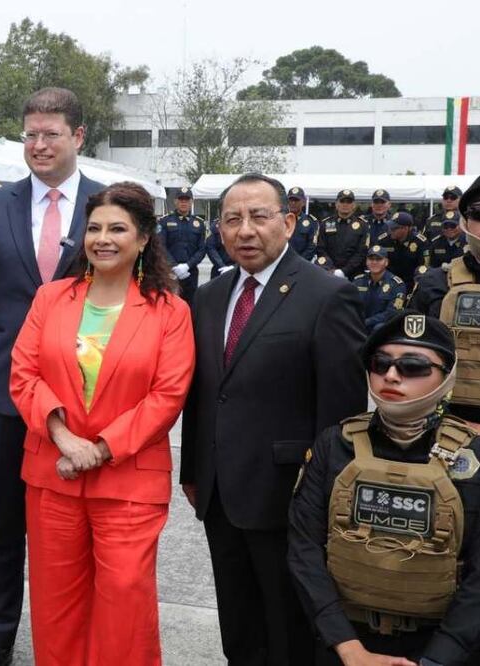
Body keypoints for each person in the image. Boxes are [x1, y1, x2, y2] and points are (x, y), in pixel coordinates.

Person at [180, 173, 368, 665]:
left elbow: (342, 414)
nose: (245, 230)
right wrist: (193, 472)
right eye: (232, 219)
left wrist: (326, 496)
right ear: (218, 230)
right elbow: (205, 394)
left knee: (287, 629)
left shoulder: (327, 296)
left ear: (287, 222)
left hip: (289, 496)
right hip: (219, 493)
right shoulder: (209, 296)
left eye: (259, 217)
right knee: (238, 626)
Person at [9, 182, 194, 665]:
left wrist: (102, 449)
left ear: (143, 238)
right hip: (53, 475)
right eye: (94, 228)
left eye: (118, 228)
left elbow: (167, 395)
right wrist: (66, 439)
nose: (103, 239)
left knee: (124, 603)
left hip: (128, 482)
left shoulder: (170, 311)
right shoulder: (51, 298)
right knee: (57, 605)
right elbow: (24, 374)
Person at [0, 86, 105, 666]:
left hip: (83, 390)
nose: (39, 145)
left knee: (73, 525)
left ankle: (69, 637)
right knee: (4, 522)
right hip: (3, 395)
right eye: (31, 135)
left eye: (52, 134)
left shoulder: (108, 203)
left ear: (78, 137)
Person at [289, 312, 480, 666]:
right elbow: (304, 551)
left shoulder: (474, 457)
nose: (391, 375)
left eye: (414, 366)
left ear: (446, 377)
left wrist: (437, 660)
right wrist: (349, 648)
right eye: (381, 363)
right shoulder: (335, 445)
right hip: (345, 645)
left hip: (443, 649)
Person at [410, 175, 480, 427]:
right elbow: (409, 353)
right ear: (466, 222)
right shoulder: (434, 283)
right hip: (448, 422)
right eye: (479, 214)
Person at [157, 186, 206, 302]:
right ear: (175, 201)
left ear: (191, 202)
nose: (183, 202)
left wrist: (187, 266)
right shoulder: (165, 221)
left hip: (191, 272)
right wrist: (174, 266)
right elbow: (160, 246)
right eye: (181, 199)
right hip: (170, 273)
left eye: (187, 199)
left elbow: (202, 249)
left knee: (191, 306)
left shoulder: (199, 223)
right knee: (169, 304)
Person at [316, 189, 368, 279]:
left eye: (349, 202)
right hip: (329, 272)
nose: (345, 204)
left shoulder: (362, 225)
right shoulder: (325, 223)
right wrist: (331, 268)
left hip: (354, 274)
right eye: (342, 201)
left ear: (354, 205)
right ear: (336, 204)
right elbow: (321, 248)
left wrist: (344, 271)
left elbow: (361, 252)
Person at [352, 245, 406, 333]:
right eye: (371, 259)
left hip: (381, 330)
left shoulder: (397, 284)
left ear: (386, 262)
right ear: (366, 262)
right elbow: (351, 306)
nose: (374, 262)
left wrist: (367, 322)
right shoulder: (357, 281)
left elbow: (392, 313)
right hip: (359, 326)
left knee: (379, 327)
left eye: (379, 259)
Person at [373, 212, 426, 293]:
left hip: (412, 283)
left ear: (405, 228)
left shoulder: (420, 242)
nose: (390, 231)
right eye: (390, 228)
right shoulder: (384, 241)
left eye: (394, 228)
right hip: (388, 283)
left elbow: (424, 267)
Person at [286, 186, 319, 261]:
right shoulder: (280, 220)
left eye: (296, 200)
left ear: (303, 202)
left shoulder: (311, 222)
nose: (293, 203)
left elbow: (312, 246)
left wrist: (298, 262)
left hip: (302, 263)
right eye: (291, 200)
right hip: (282, 262)